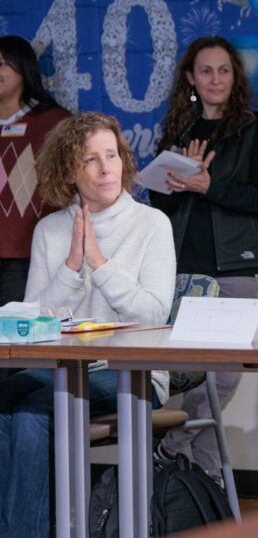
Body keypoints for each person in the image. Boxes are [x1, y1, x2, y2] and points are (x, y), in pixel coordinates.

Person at [1, 112, 174, 537]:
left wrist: (98, 262)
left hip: (132, 373)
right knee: (6, 402)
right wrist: (71, 268)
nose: (105, 169)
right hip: (61, 368)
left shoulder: (152, 224)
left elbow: (154, 315)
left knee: (32, 413)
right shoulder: (50, 230)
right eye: (90, 159)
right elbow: (35, 324)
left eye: (111, 156)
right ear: (69, 171)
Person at [149, 36, 258, 478]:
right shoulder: (179, 132)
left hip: (236, 266)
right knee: (196, 375)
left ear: (234, 76)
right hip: (184, 269)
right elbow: (160, 206)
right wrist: (178, 181)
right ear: (190, 78)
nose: (215, 79)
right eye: (206, 71)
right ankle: (210, 492)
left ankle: (168, 446)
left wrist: (208, 186)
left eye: (223, 70)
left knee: (222, 375)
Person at [0, 35, 69, 306]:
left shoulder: (56, 122)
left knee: (18, 327)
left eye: (1, 64)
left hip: (30, 254)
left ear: (24, 68)